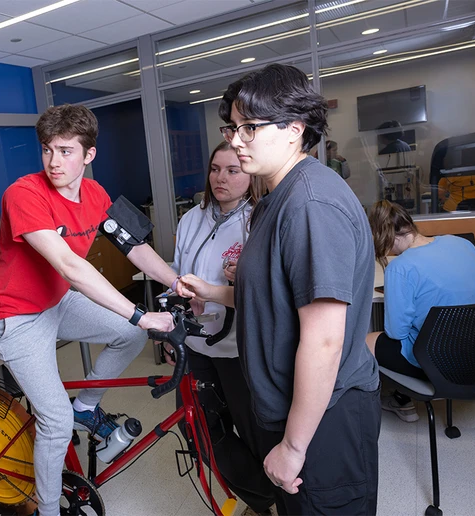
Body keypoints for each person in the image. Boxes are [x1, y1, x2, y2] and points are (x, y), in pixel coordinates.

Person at [175, 64, 381, 515]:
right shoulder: (276, 198)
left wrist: (293, 444)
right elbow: (273, 297)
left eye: (250, 128)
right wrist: (211, 291)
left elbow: (324, 340)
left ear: (294, 128)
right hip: (291, 407)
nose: (235, 140)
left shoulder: (310, 204)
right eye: (233, 127)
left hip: (323, 418)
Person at [0, 104, 175, 516]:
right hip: (15, 318)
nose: (54, 161)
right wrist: (140, 312)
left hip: (56, 301)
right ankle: (50, 511)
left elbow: (135, 246)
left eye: (66, 151)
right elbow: (69, 264)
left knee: (128, 334)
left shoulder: (97, 194)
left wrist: (177, 283)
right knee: (53, 422)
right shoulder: (23, 194)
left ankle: (85, 407)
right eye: (47, 150)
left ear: (89, 155)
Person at [165, 140, 275, 515]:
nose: (221, 178)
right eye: (215, 169)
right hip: (195, 344)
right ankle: (262, 499)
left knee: (256, 430)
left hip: (240, 349)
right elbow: (175, 275)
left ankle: (278, 501)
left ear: (250, 174)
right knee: (200, 427)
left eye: (232, 170)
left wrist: (240, 276)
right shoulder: (190, 218)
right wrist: (179, 303)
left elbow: (270, 288)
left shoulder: (259, 219)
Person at [365, 200, 475, 422]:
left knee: (367, 341)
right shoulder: (461, 244)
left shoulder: (400, 268)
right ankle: (401, 396)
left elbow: (396, 333)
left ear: (383, 236)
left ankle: (401, 402)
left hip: (438, 363)